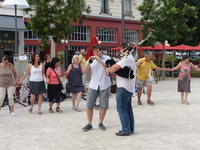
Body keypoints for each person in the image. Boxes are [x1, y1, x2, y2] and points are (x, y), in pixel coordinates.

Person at [106, 42, 136, 136]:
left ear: (125, 49)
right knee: (127, 108)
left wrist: (108, 69)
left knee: (121, 109)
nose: (120, 51)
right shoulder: (130, 58)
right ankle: (130, 128)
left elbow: (115, 67)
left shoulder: (126, 58)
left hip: (124, 87)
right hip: (129, 87)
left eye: (121, 49)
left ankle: (126, 130)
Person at [82, 44, 111, 131]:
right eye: (94, 52)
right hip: (93, 84)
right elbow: (83, 71)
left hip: (104, 84)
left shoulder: (107, 58)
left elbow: (109, 69)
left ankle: (101, 122)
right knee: (89, 105)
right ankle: (89, 123)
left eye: (97, 51)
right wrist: (88, 62)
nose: (96, 53)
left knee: (103, 105)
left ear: (101, 50)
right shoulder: (91, 59)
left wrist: (100, 62)